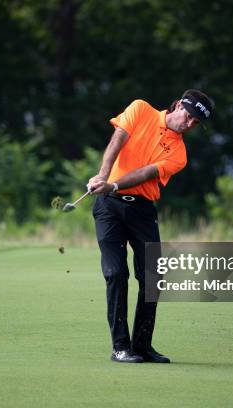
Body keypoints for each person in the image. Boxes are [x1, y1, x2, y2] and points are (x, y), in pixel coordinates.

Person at [87, 89, 213, 363]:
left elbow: (147, 173)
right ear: (178, 105)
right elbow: (118, 139)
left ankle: (142, 346)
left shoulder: (179, 153)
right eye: (189, 117)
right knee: (116, 274)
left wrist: (115, 183)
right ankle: (121, 347)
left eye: (195, 124)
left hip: (142, 211)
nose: (189, 125)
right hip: (109, 206)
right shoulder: (140, 108)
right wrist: (104, 175)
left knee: (153, 278)